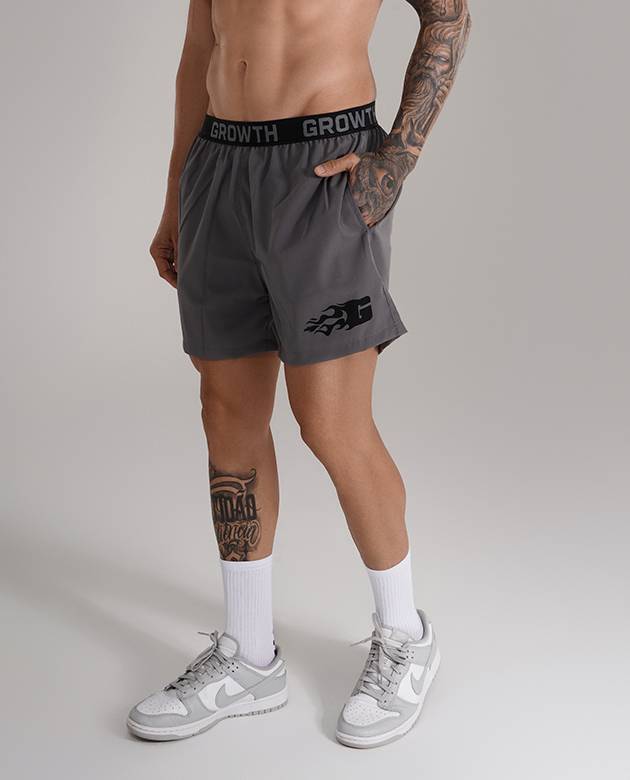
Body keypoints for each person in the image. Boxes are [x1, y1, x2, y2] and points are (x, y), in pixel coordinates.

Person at [127, 0, 470, 748]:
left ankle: (405, 634)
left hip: (323, 167)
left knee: (332, 424)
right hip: (219, 164)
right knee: (227, 415)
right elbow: (199, 48)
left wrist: (396, 159)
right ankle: (250, 656)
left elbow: (448, 15)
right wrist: (176, 197)